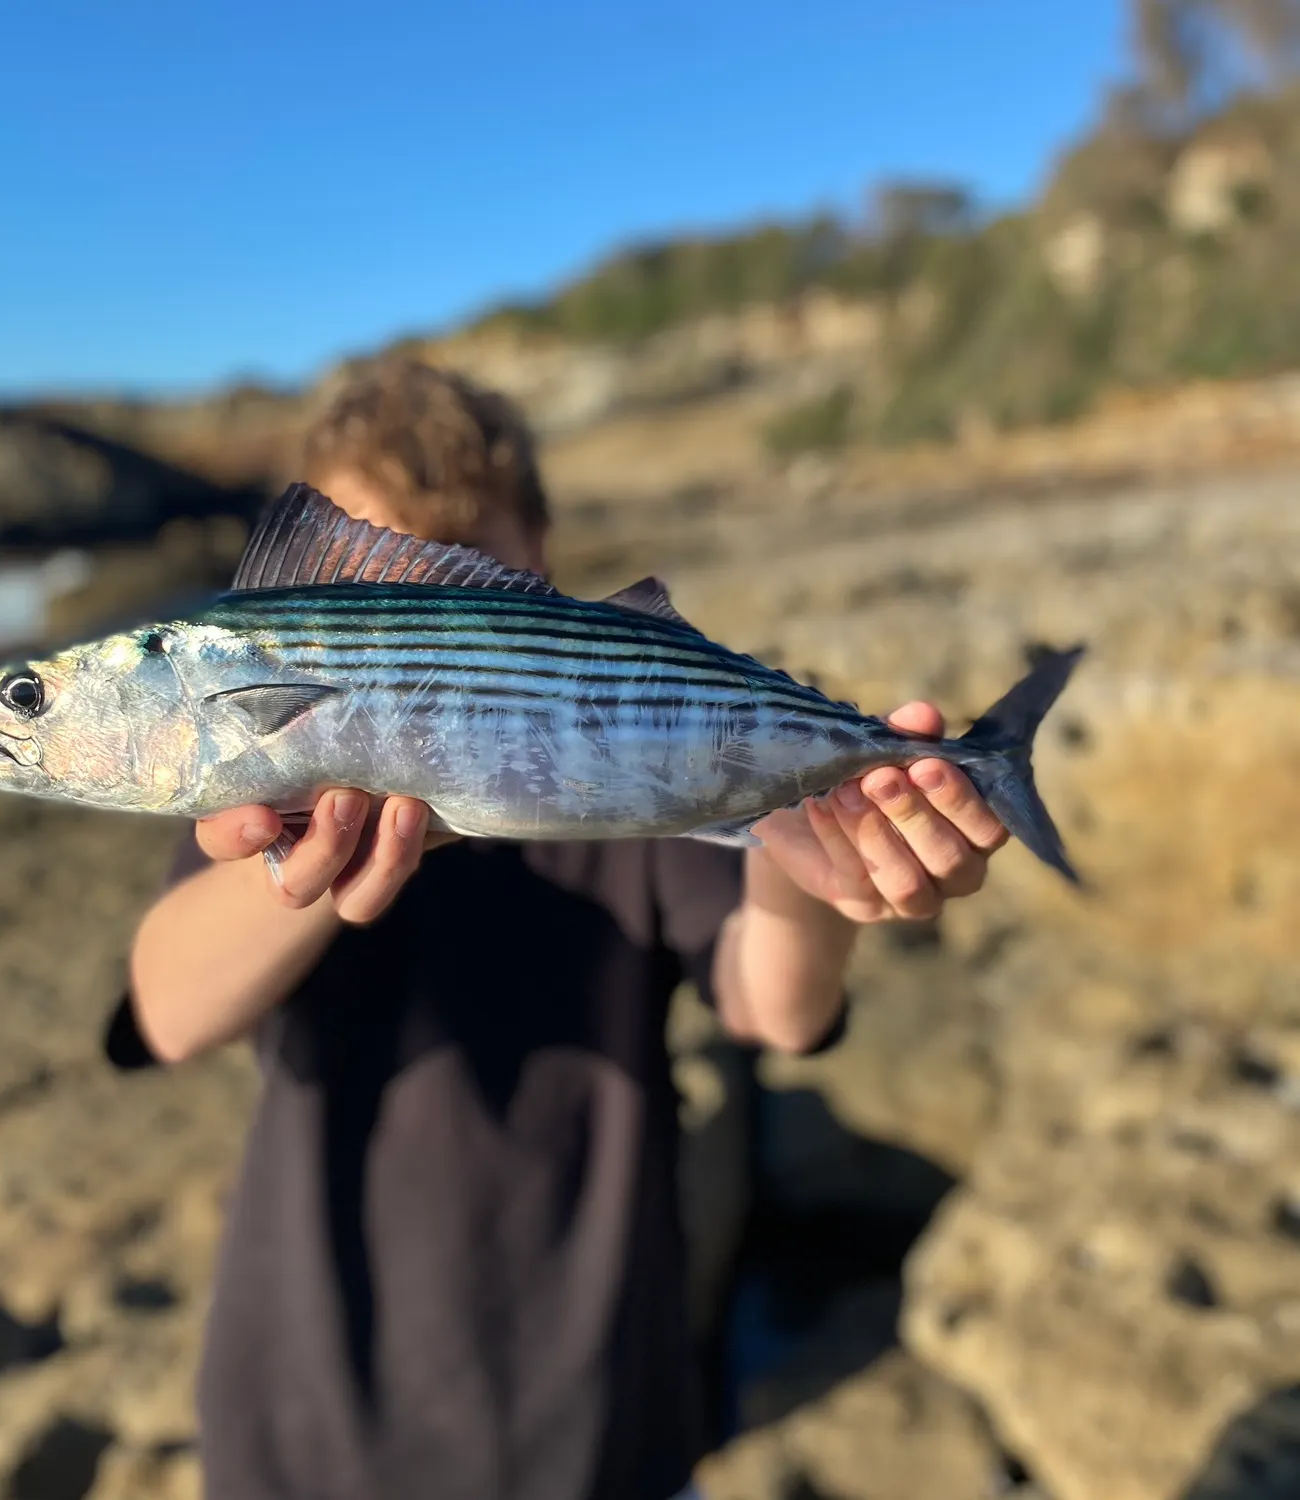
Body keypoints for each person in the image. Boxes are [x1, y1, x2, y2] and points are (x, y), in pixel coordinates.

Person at [106, 357, 1008, 1500]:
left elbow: (776, 1007)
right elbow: (166, 1012)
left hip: (597, 1416)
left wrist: (807, 850)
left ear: (534, 566)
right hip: (309, 1418)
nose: (409, 631)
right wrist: (296, 867)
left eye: (453, 578)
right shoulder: (252, 787)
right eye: (368, 598)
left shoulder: (638, 768)